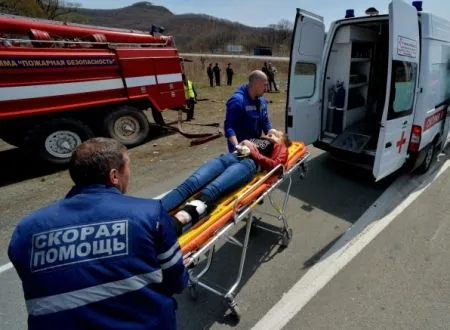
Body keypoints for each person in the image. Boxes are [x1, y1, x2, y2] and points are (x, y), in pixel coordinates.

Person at [8, 138, 188, 330]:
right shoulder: (149, 213)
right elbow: (176, 281)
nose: (129, 174)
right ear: (114, 176)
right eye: (127, 167)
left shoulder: (26, 230)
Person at [161, 129, 292, 227]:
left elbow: (277, 166)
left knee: (211, 190)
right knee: (191, 183)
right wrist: (244, 143)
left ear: (282, 142)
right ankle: (154, 211)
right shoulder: (257, 138)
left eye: (277, 134)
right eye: (270, 133)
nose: (271, 132)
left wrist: (253, 152)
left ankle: (175, 223)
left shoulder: (279, 147)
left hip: (247, 164)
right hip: (230, 157)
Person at [224, 70, 278, 152]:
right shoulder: (237, 101)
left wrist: (271, 131)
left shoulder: (261, 100)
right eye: (265, 85)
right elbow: (229, 127)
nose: (266, 89)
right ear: (256, 84)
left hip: (254, 142)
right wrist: (237, 146)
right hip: (241, 146)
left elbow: (265, 121)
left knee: (274, 147)